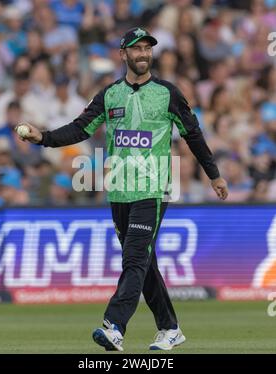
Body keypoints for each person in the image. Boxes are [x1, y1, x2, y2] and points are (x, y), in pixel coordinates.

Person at [16, 27, 228, 351]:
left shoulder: (168, 93)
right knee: (144, 263)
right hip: (118, 192)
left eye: (147, 49)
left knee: (133, 260)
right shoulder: (109, 95)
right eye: (136, 49)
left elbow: (193, 134)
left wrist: (213, 174)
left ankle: (114, 326)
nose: (143, 54)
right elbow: (79, 128)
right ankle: (170, 328)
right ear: (123, 54)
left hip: (153, 189)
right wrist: (42, 137)